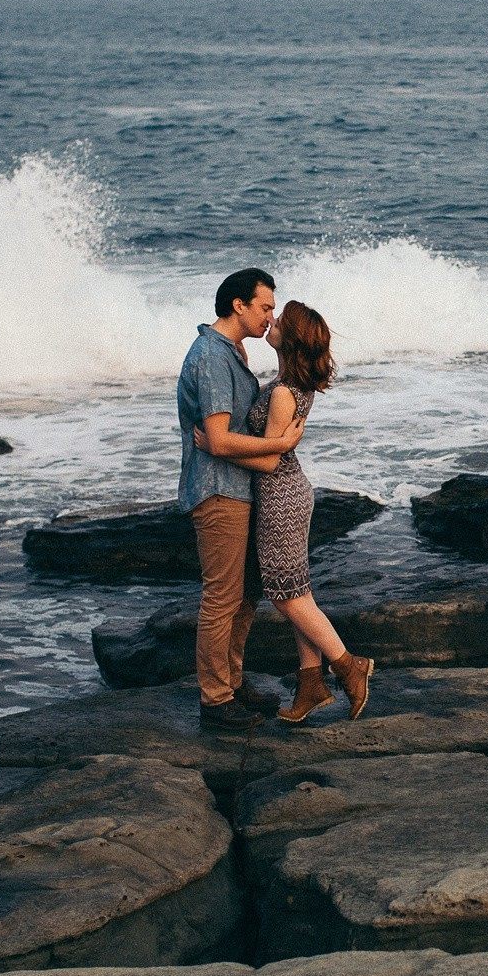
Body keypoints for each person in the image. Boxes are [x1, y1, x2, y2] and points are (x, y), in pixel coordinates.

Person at [232, 300, 374, 723]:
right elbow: (277, 446)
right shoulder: (290, 383)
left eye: (280, 320)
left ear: (290, 340)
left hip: (281, 496)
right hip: (289, 494)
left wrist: (218, 448)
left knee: (286, 596)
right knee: (296, 592)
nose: (271, 322)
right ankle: (311, 683)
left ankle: (350, 667)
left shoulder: (281, 392)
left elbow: (270, 460)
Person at [175, 268, 302, 732]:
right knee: (222, 597)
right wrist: (280, 446)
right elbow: (220, 440)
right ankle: (215, 700)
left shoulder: (231, 352)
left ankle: (230, 682)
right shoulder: (211, 356)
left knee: (246, 594)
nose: (272, 315)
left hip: (240, 490)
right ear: (238, 305)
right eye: (266, 306)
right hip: (218, 491)